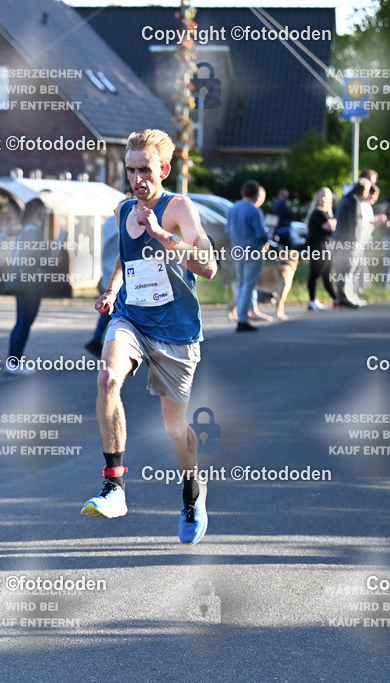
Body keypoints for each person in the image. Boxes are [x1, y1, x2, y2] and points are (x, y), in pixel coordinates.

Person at [81, 128, 217, 545]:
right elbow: (126, 256)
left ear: (164, 170)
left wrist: (163, 236)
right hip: (132, 319)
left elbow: (208, 265)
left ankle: (193, 491)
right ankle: (114, 486)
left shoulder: (179, 207)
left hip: (176, 332)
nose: (137, 179)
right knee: (107, 378)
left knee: (175, 430)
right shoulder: (123, 209)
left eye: (145, 170)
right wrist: (112, 289)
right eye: (131, 170)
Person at [5, 198, 58, 372]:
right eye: (43, 210)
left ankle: (13, 361)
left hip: (20, 279)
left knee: (21, 322)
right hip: (29, 281)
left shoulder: (24, 230)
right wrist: (50, 259)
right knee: (24, 322)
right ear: (38, 211)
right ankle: (14, 362)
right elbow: (32, 259)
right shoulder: (33, 230)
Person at [226, 180, 268, 331]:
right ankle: (242, 318)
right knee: (249, 285)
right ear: (257, 194)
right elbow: (261, 234)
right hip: (252, 251)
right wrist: (267, 240)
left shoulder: (234, 208)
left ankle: (243, 314)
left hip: (236, 250)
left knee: (242, 283)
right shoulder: (254, 211)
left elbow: (227, 229)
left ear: (243, 192)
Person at [332, 178, 371, 308]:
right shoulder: (354, 201)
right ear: (362, 190)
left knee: (342, 269)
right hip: (347, 240)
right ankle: (343, 297)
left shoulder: (345, 199)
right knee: (346, 269)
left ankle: (342, 296)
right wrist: (355, 241)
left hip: (340, 238)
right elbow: (354, 223)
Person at [85, 216, 120, 357]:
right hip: (118, 270)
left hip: (109, 268)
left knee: (110, 307)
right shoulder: (125, 218)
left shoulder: (110, 222)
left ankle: (96, 339)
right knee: (115, 308)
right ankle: (100, 341)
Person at [305, 187, 337, 310]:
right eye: (321, 196)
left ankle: (336, 298)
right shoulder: (317, 213)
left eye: (326, 196)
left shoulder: (329, 213)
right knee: (315, 274)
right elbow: (328, 226)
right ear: (317, 198)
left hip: (328, 247)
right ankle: (312, 301)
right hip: (318, 247)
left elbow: (333, 225)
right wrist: (333, 223)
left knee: (328, 276)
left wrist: (334, 222)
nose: (323, 199)